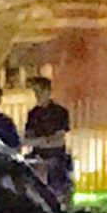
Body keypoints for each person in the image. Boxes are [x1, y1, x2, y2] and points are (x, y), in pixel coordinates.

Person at [23, 76, 73, 205]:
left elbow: (59, 138)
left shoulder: (60, 112)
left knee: (58, 180)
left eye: (40, 91)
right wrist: (43, 141)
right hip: (38, 155)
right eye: (36, 92)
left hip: (56, 154)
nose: (38, 95)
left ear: (48, 92)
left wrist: (41, 141)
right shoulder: (33, 114)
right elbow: (28, 138)